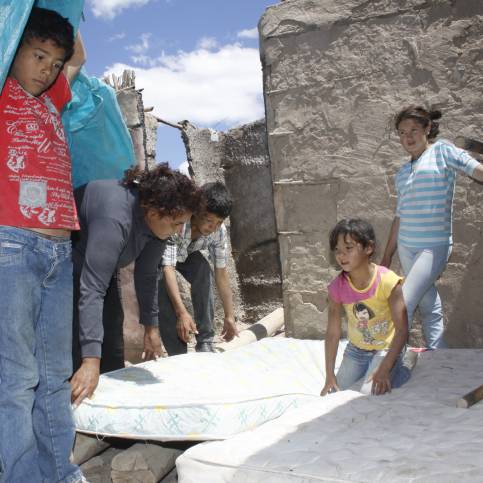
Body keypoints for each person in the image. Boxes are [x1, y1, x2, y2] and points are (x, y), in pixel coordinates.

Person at [0, 7, 86, 483]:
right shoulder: (4, 90)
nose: (47, 70)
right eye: (37, 56)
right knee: (15, 379)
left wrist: (68, 21)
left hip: (59, 252)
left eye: (54, 63)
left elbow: (78, 54)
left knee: (54, 377)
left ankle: (60, 473)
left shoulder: (52, 98)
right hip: (11, 246)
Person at [71, 164, 201, 406]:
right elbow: (92, 289)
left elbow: (147, 275)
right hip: (68, 260)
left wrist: (151, 329)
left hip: (103, 269)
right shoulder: (116, 217)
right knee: (79, 349)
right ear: (154, 212)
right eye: (176, 223)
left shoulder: (158, 227)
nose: (179, 230)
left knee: (112, 344)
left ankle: (111, 413)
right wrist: (89, 361)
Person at [381, 106, 483, 349]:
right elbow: (399, 217)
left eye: (414, 130)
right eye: (402, 132)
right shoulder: (402, 173)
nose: (408, 137)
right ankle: (439, 354)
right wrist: (387, 255)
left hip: (433, 247)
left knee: (402, 303)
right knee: (428, 305)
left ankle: (386, 362)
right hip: (406, 247)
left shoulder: (442, 151)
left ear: (427, 128)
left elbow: (476, 170)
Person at [321, 219, 413, 397]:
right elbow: (332, 333)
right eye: (337, 250)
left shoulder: (388, 281)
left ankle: (405, 364)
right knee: (335, 392)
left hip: (386, 348)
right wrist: (329, 375)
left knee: (370, 393)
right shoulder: (337, 287)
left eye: (348, 248)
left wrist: (385, 367)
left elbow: (402, 330)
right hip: (357, 350)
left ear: (368, 248)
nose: (341, 255)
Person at [158, 181, 239, 355]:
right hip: (159, 260)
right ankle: (177, 353)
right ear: (197, 211)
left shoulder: (218, 231)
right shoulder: (178, 223)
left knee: (203, 270)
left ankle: (205, 342)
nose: (213, 227)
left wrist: (229, 316)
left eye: (218, 222)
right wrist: (182, 313)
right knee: (162, 290)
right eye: (209, 221)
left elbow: (221, 274)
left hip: (185, 255)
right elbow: (168, 268)